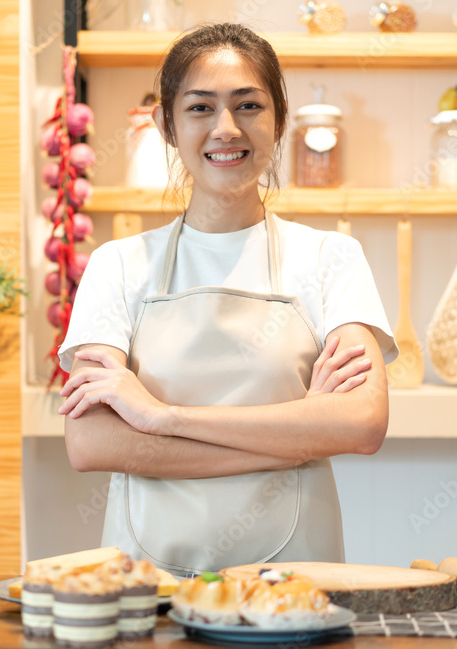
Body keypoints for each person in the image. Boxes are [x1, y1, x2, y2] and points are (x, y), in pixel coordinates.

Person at [57, 22, 398, 577]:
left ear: (278, 121)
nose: (226, 128)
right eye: (199, 108)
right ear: (166, 125)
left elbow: (360, 422)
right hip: (150, 588)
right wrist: (299, 437)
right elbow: (92, 441)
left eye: (248, 106)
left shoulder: (331, 258)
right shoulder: (117, 267)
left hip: (296, 585)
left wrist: (157, 416)